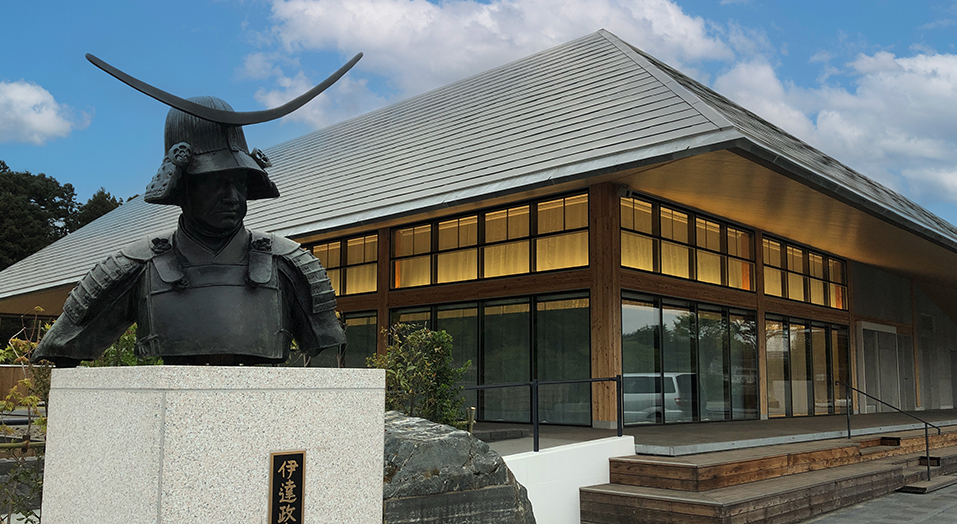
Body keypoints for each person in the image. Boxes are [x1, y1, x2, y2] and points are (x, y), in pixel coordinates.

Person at [33, 96, 345, 367]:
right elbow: (64, 346)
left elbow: (328, 347)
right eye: (214, 182)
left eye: (239, 182)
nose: (233, 197)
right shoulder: (135, 266)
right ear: (182, 187)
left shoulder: (289, 263)